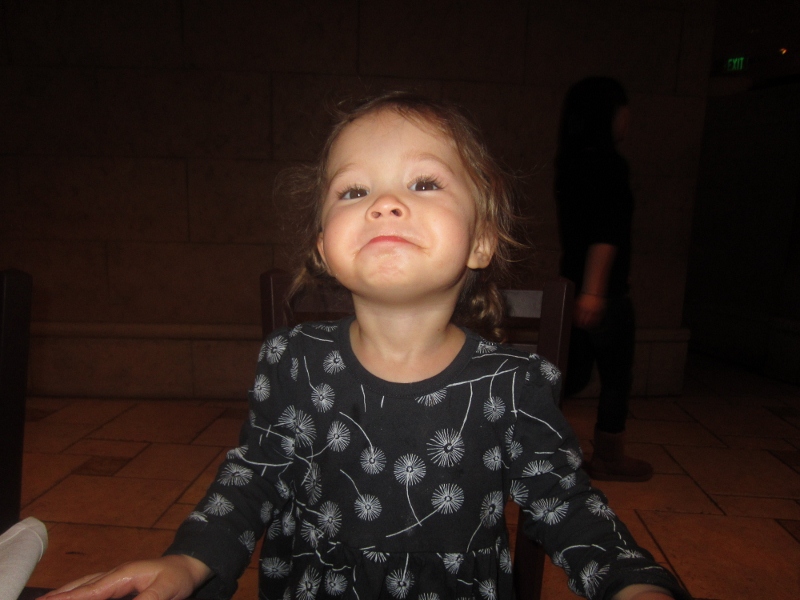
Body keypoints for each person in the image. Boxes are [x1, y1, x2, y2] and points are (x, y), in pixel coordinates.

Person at [44, 93, 689, 600]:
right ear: (325, 248)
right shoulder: (293, 362)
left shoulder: (513, 382)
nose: (384, 204)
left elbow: (566, 504)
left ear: (481, 240)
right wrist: (188, 561)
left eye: (424, 183)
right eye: (354, 191)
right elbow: (251, 481)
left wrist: (632, 584)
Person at [554, 77, 653, 482]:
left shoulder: (570, 161)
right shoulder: (609, 165)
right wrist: (595, 291)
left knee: (571, 372)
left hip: (572, 282)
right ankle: (609, 456)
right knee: (614, 375)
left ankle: (524, 434)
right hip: (600, 290)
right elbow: (606, 233)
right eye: (623, 109)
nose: (628, 119)